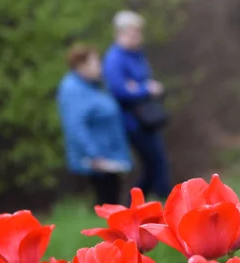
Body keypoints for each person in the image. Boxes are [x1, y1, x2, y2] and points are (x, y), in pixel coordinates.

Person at [103, 11, 171, 200]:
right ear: (121, 33)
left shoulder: (136, 55)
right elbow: (120, 90)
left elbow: (138, 81)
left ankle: (146, 204)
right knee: (154, 164)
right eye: (134, 33)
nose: (138, 37)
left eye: (139, 33)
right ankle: (144, 203)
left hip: (147, 118)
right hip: (132, 121)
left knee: (157, 163)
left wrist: (139, 87)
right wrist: (144, 89)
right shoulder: (115, 58)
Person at [57, 44, 132, 205]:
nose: (100, 68)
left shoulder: (92, 85)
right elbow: (75, 125)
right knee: (107, 204)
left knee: (114, 201)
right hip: (99, 159)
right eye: (96, 64)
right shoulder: (73, 89)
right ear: (81, 66)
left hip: (109, 155)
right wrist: (93, 154)